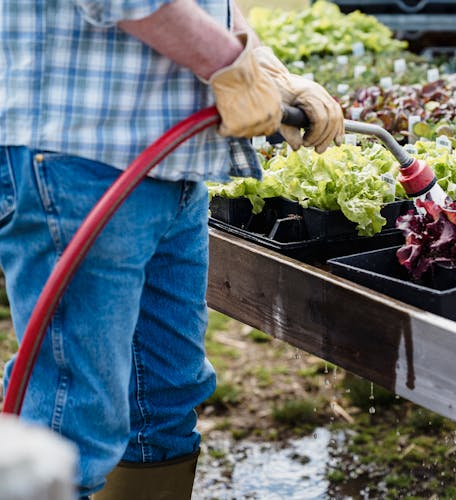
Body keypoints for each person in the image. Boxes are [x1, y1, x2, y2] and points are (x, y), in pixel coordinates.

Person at [0, 0, 344, 498]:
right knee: (70, 420)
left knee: (160, 401)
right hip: (80, 158)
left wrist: (266, 68)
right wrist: (232, 67)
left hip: (170, 164)